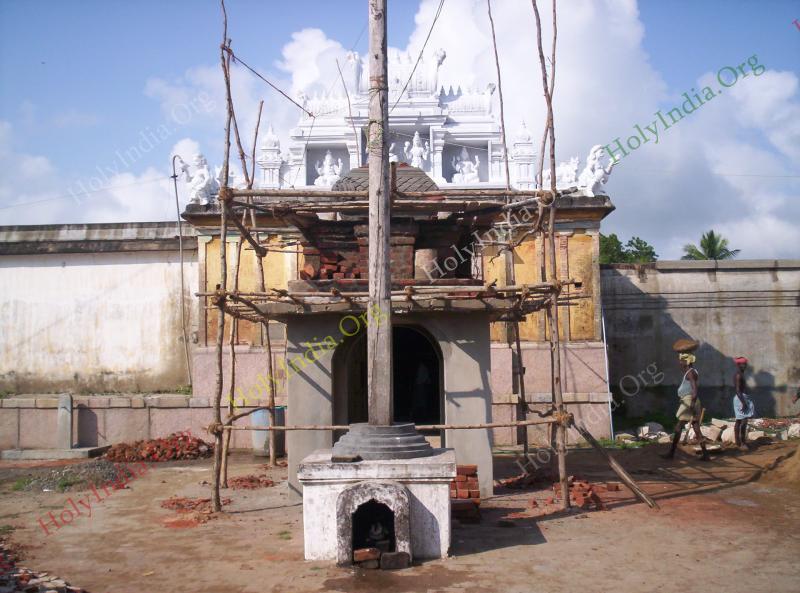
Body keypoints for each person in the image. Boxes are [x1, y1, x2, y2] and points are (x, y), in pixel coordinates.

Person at [661, 353, 710, 461]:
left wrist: (691, 404)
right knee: (696, 429)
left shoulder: (691, 373)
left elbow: (694, 390)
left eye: (682, 361)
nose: (680, 363)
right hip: (692, 401)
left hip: (689, 401)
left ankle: (671, 453)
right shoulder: (692, 372)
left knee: (678, 427)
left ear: (687, 361)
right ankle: (705, 455)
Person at [732, 356, 755, 451]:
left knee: (739, 421)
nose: (744, 366)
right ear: (738, 365)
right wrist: (743, 402)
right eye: (742, 364)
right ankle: (742, 443)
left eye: (745, 364)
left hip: (742, 398)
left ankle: (738, 442)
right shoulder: (738, 375)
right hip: (740, 399)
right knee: (743, 422)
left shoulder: (740, 374)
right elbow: (737, 390)